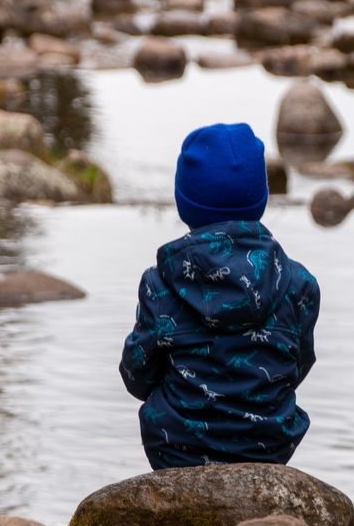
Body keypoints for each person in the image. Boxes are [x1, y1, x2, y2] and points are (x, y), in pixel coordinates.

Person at [119, 122, 320, 469]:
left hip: (176, 453)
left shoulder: (159, 284)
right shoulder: (299, 283)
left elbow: (136, 376)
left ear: (186, 204)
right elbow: (297, 366)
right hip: (269, 451)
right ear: (261, 198)